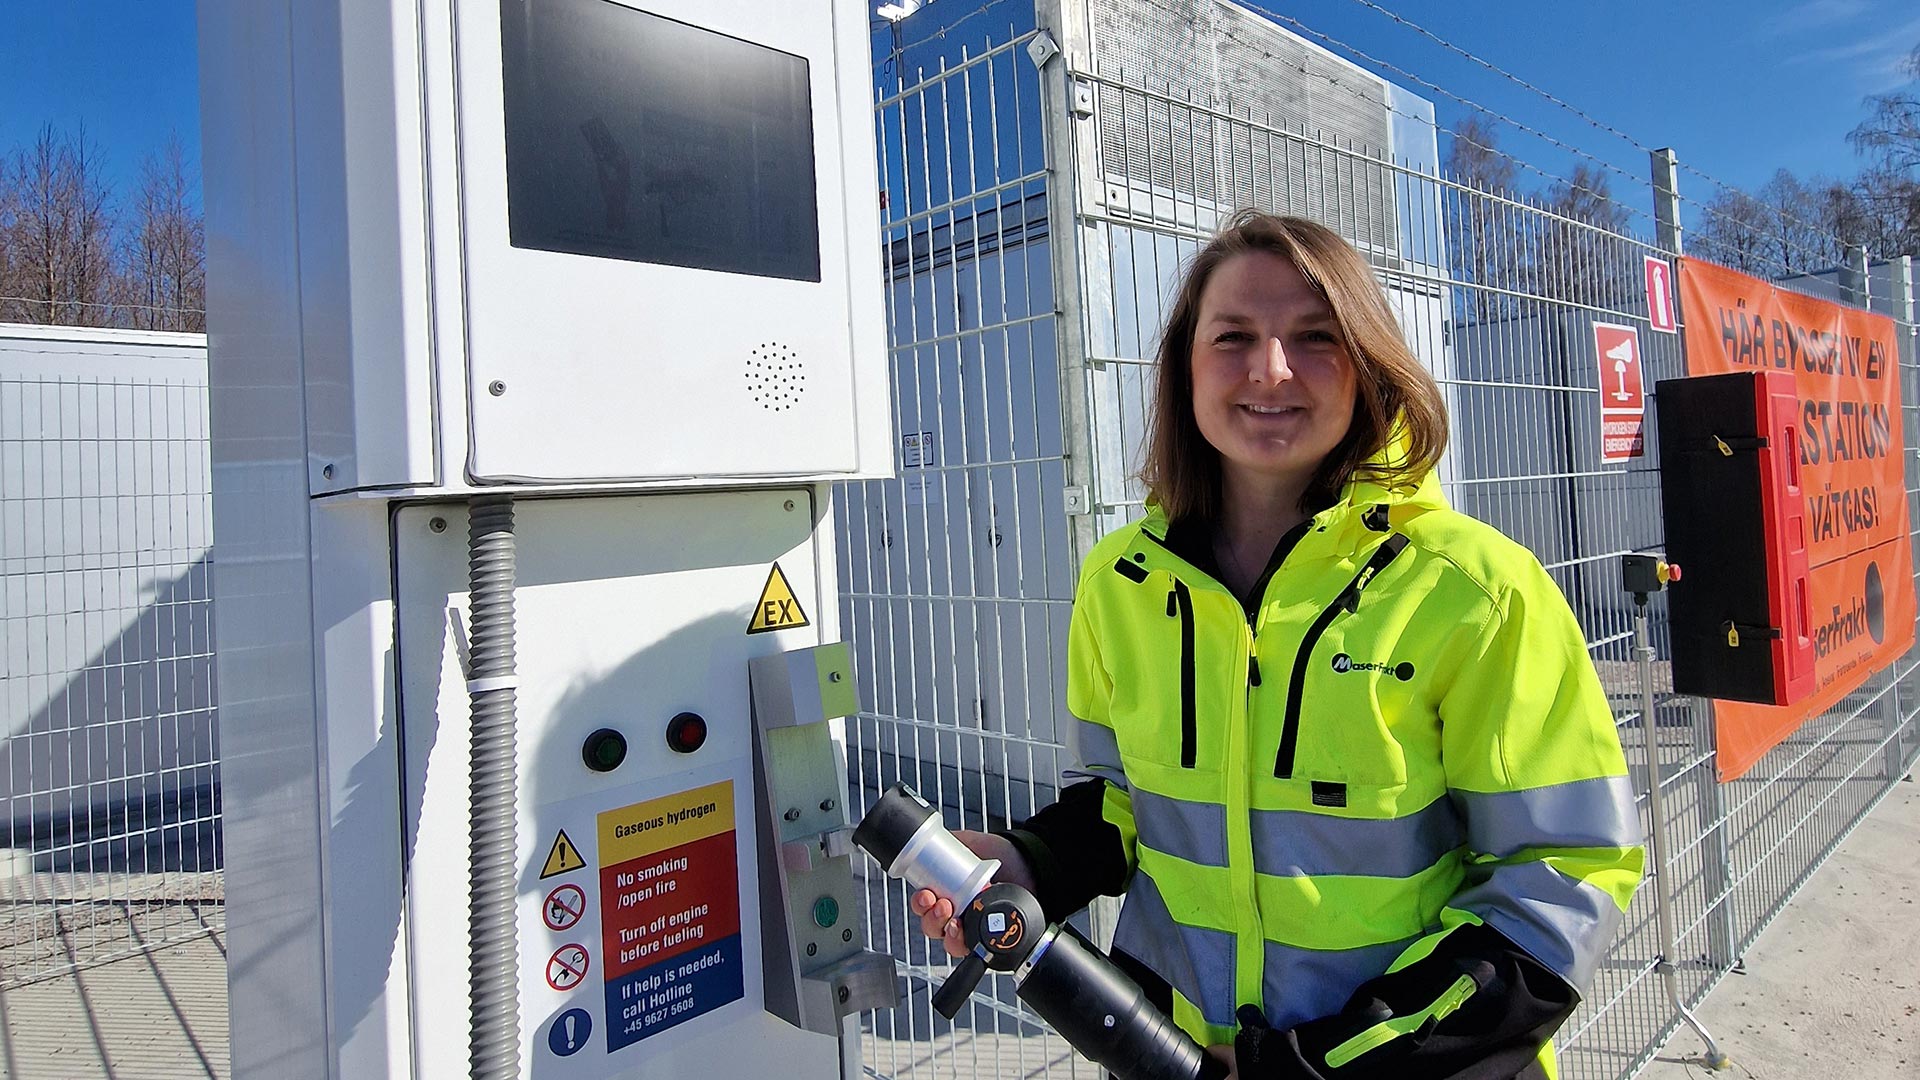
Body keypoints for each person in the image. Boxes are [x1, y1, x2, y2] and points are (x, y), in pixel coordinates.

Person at [911, 211, 1644, 1079]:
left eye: (1314, 336)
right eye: (1233, 337)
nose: (1271, 369)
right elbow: (1119, 803)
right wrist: (1029, 863)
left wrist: (1328, 1065)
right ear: (1185, 367)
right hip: (1171, 1058)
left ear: (1368, 363)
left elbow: (1561, 877)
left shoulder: (1475, 590)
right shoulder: (1121, 584)